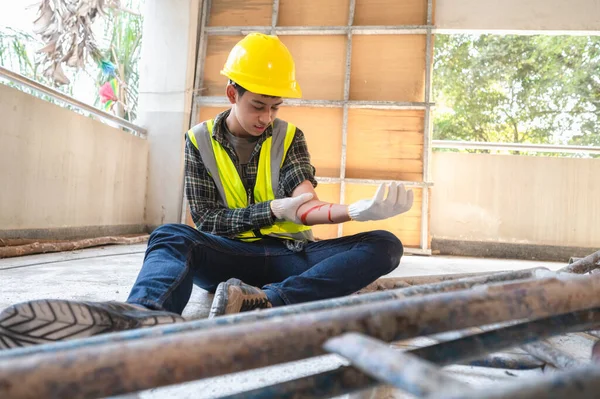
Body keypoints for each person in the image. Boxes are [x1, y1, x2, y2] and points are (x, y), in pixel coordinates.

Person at [0, 33, 413, 350]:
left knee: (385, 245)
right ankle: (141, 317)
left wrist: (351, 212)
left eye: (275, 108)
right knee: (171, 235)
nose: (267, 118)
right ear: (233, 94)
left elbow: (304, 203)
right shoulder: (198, 140)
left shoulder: (290, 136)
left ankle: (267, 303)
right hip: (229, 253)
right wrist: (271, 210)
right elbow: (209, 219)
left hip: (294, 257)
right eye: (258, 106)